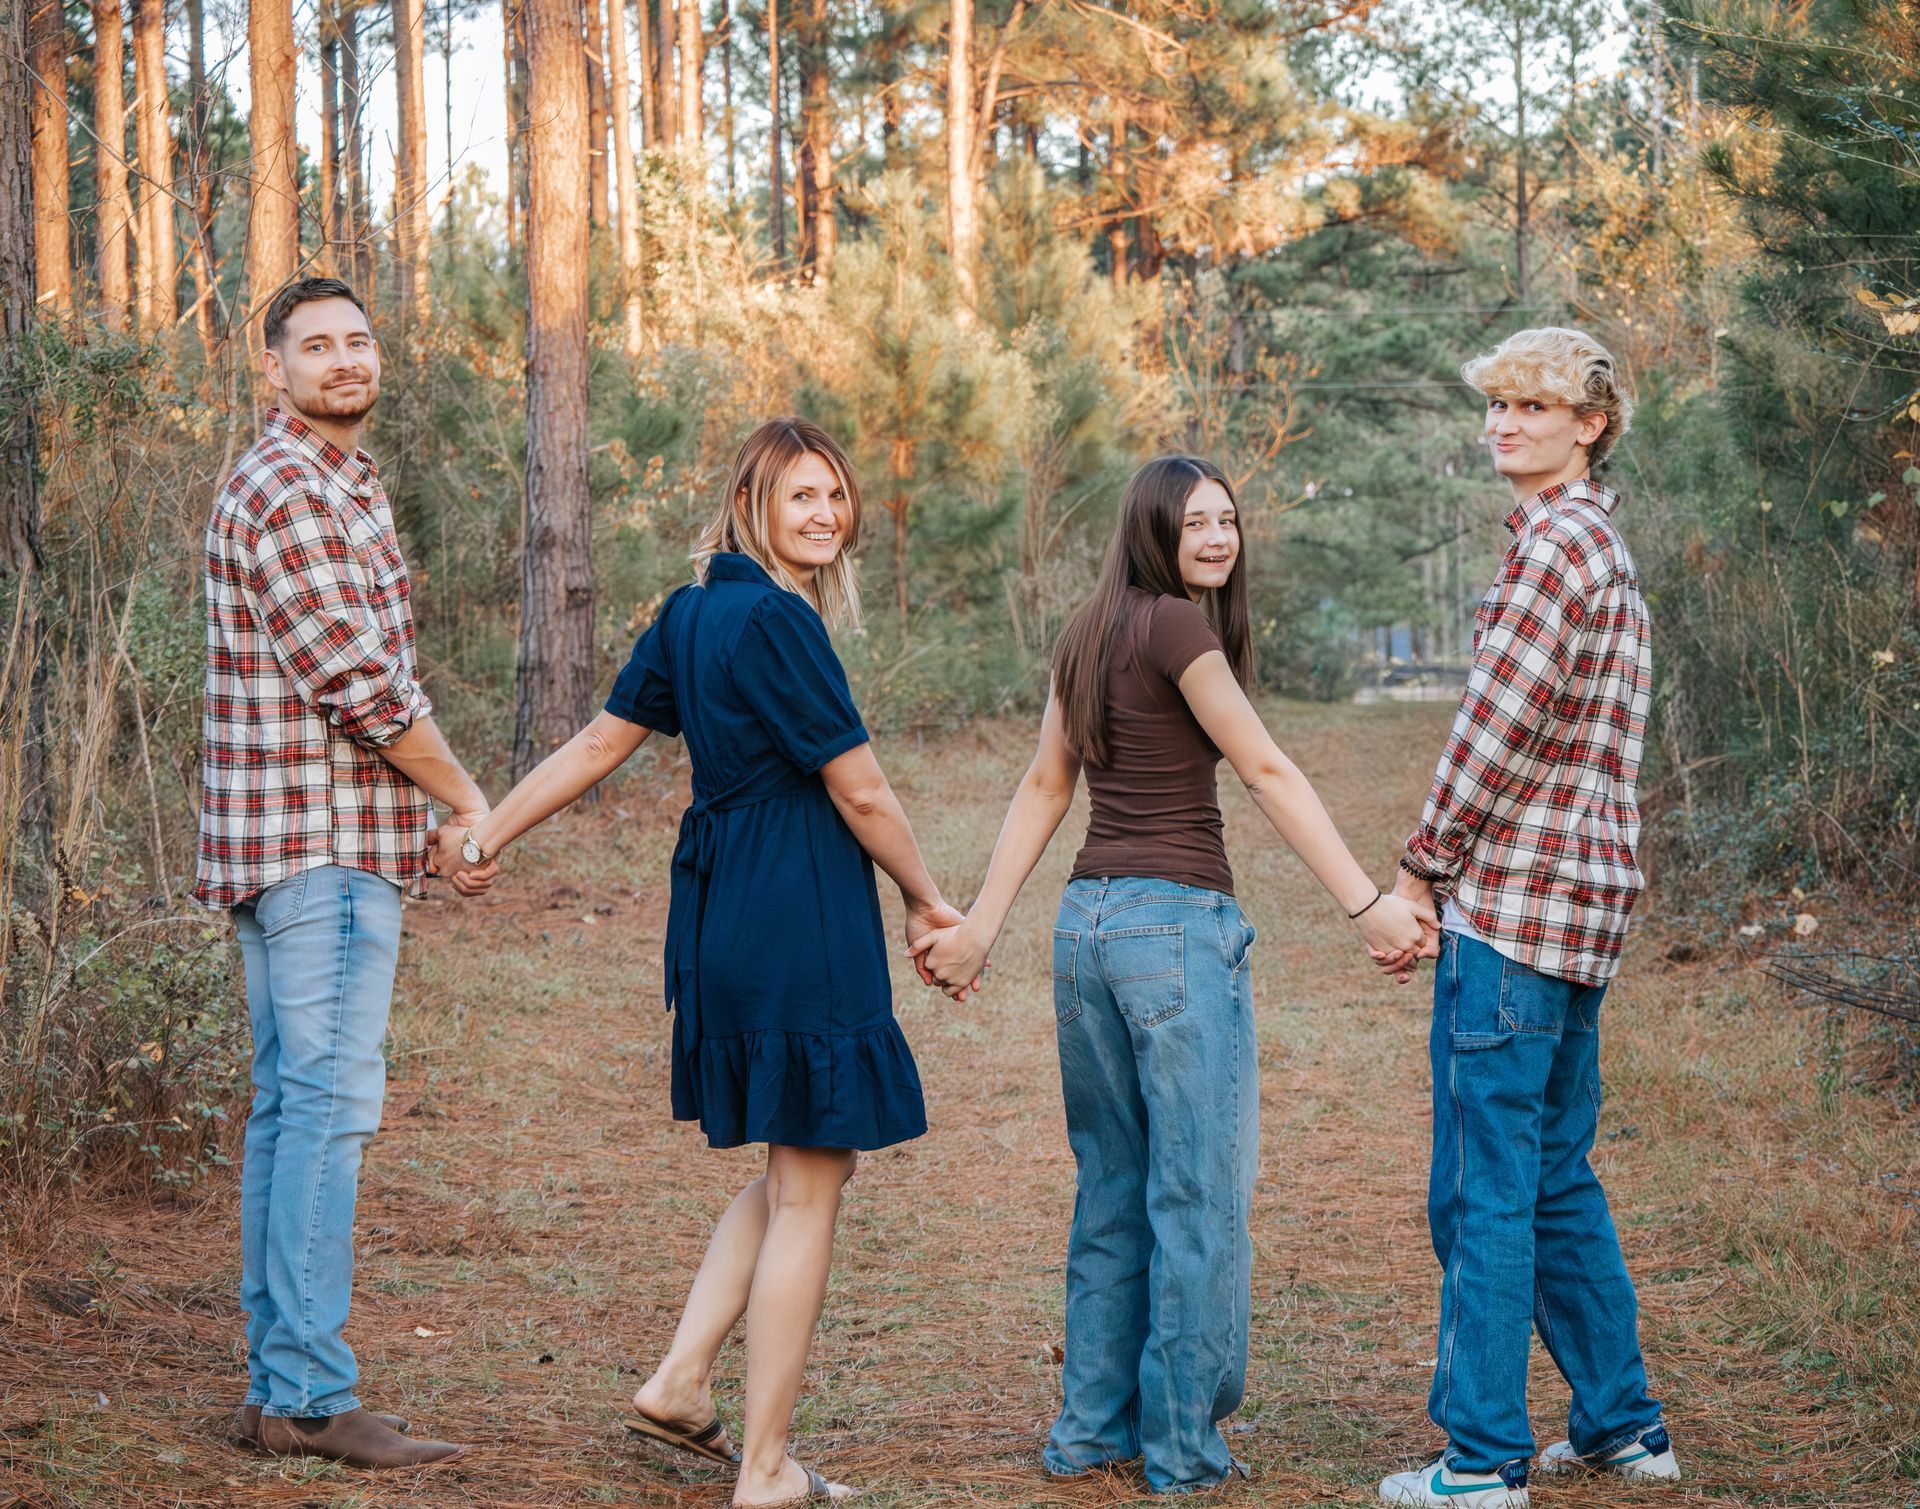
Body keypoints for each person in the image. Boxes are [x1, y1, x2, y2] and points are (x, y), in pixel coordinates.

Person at [431, 417, 961, 1507]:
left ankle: (681, 1378)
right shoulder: (776, 620)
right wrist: (928, 898)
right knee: (811, 1186)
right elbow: (859, 791)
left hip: (726, 915)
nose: (824, 516)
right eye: (801, 497)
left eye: (834, 498)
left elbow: (594, 745)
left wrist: (488, 833)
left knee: (801, 1168)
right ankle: (764, 1469)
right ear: (752, 503)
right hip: (796, 909)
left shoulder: (691, 612)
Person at [912, 454, 1434, 1495]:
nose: (1218, 537)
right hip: (1175, 933)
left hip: (1086, 934)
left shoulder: (1089, 629)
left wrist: (984, 926)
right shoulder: (1177, 629)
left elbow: (1043, 786)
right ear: (1153, 526)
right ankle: (1183, 1448)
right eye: (1196, 521)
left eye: (1230, 520)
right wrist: (1368, 906)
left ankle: (1088, 1432)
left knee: (1113, 1187)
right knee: (1195, 1194)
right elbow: (1266, 767)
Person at [1375, 329, 1677, 1509]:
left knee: (1484, 1188)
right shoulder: (1597, 542)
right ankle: (1622, 1427)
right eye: (1497, 403)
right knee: (1554, 1175)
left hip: (1515, 911)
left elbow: (1491, 736)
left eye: (1534, 405)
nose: (1505, 423)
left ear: (1590, 424)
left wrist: (1419, 869)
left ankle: (1482, 1460)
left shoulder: (1558, 546)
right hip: (1583, 908)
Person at [196, 276, 494, 1468]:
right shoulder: (289, 489)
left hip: (316, 842)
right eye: (315, 346)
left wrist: (409, 813)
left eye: (358, 341)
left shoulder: (341, 483)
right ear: (273, 370)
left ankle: (281, 1388)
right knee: (322, 1112)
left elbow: (361, 691)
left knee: (291, 1109)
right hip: (312, 854)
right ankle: (313, 1396)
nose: (343, 360)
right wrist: (466, 799)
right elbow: (364, 689)